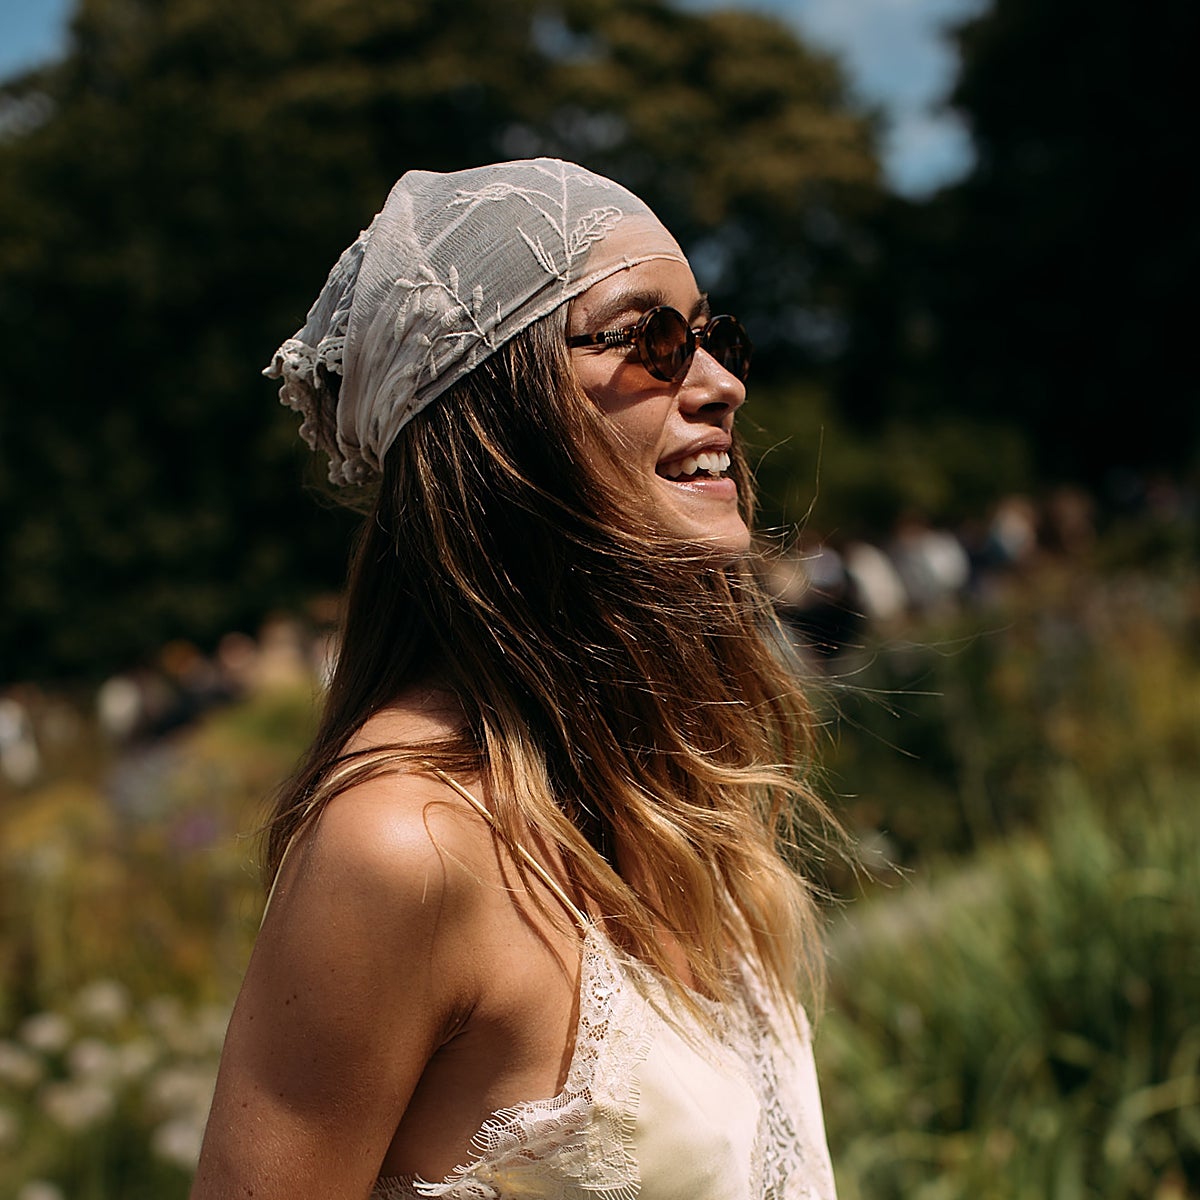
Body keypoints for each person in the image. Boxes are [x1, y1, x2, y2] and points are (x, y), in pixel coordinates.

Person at [192, 158, 839, 1199]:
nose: (721, 382)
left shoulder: (666, 786)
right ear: (494, 424)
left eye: (714, 336)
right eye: (652, 341)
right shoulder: (408, 844)